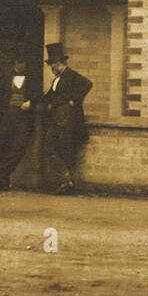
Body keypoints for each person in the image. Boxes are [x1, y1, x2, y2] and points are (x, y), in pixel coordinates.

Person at [38, 42, 92, 194]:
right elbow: (47, 97)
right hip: (57, 120)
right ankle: (66, 181)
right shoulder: (56, 80)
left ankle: (66, 183)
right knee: (51, 147)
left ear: (60, 63)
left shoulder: (71, 75)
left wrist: (74, 100)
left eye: (53, 65)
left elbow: (88, 84)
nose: (52, 69)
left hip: (68, 121)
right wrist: (34, 102)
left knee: (62, 149)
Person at [0, 61, 37, 191]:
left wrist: (31, 102)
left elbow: (39, 95)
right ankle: (1, 178)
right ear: (13, 64)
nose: (21, 65)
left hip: (24, 118)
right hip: (8, 117)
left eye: (23, 62)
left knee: (19, 147)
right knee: (3, 146)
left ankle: (2, 171)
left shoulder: (32, 78)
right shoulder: (5, 79)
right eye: (18, 63)